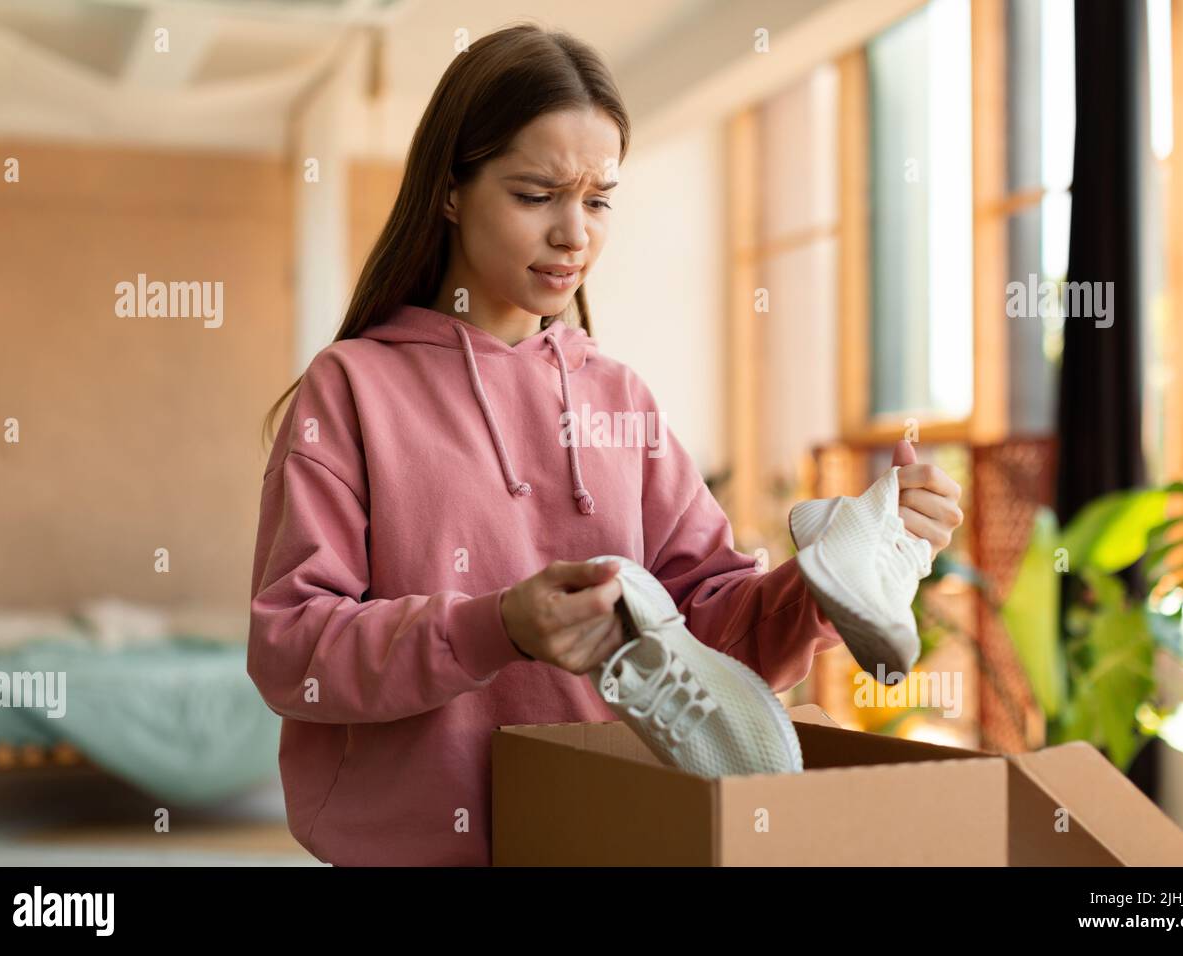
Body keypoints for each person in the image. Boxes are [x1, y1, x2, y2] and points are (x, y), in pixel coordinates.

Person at [248, 22, 963, 866]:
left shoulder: (618, 396)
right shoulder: (354, 387)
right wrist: (498, 627)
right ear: (449, 190)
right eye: (534, 194)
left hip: (605, 837)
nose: (573, 235)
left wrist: (827, 583)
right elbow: (291, 651)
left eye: (598, 199)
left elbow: (716, 644)